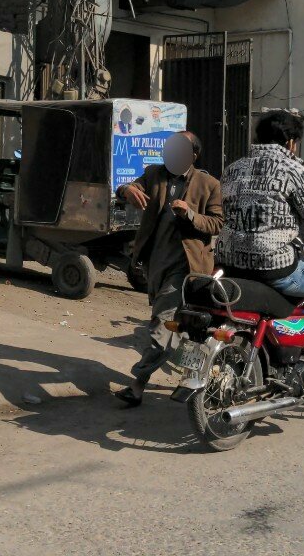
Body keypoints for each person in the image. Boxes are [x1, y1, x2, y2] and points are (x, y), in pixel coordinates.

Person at [114, 131, 223, 407]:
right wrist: (127, 189)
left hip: (187, 270)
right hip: (155, 265)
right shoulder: (154, 174)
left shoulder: (208, 184)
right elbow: (126, 189)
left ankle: (137, 385)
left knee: (160, 324)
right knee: (182, 329)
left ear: (193, 155)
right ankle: (198, 377)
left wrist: (191, 214)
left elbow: (217, 223)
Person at [215, 110, 304, 296]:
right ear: (291, 142)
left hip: (228, 262)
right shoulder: (295, 171)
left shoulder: (232, 169)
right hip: (273, 267)